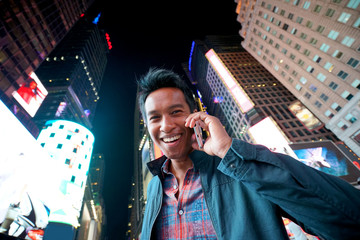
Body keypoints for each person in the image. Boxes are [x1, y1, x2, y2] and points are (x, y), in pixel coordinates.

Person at [137, 68, 360, 240]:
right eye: (155, 117)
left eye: (175, 112)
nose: (165, 126)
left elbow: (347, 220)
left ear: (194, 115)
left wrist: (229, 152)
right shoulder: (154, 186)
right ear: (147, 125)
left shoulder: (240, 167)